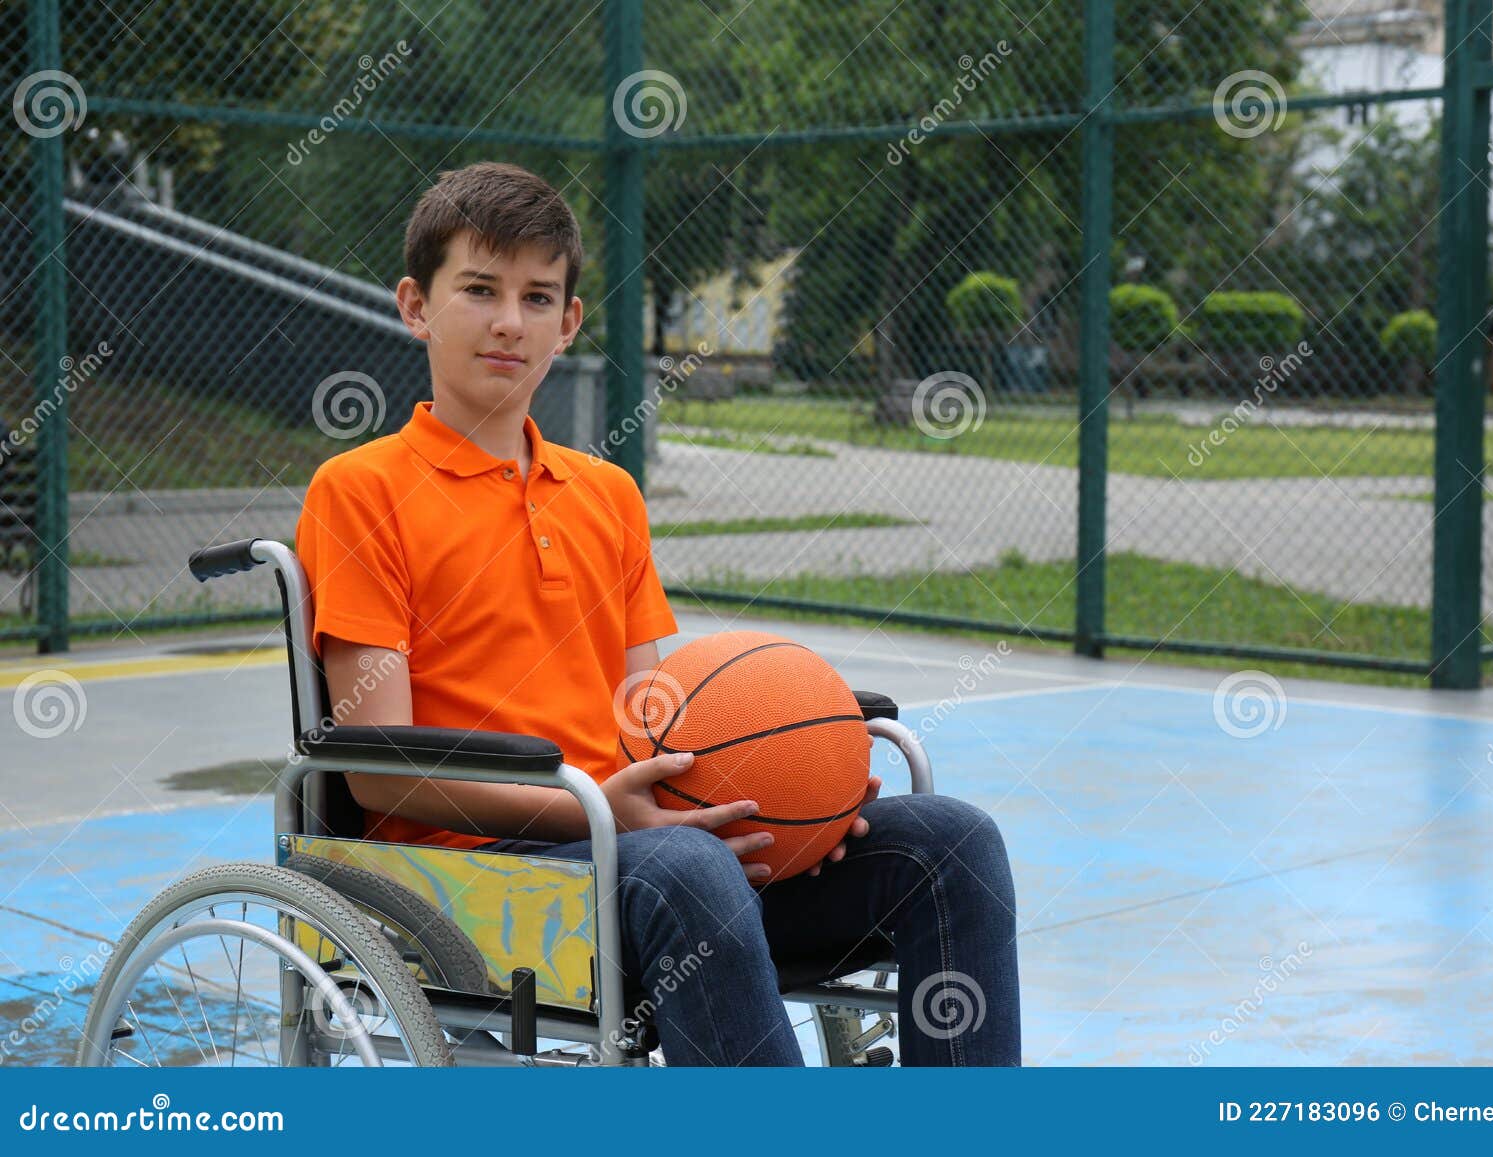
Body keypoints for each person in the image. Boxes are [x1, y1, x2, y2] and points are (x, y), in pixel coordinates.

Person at [295, 161, 1020, 1066]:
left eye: (537, 296)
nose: (509, 321)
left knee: (950, 843)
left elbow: (660, 716)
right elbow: (380, 772)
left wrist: (799, 787)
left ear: (570, 323)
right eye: (479, 290)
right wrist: (601, 808)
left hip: (649, 853)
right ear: (415, 304)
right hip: (467, 881)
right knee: (688, 867)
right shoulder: (360, 491)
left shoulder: (606, 493)